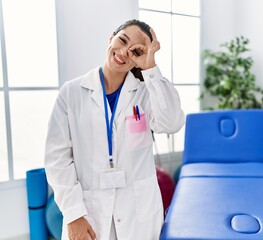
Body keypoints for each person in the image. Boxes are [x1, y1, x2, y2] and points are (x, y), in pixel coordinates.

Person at [44, 19, 185, 240]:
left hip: (138, 212)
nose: (123, 53)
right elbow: (57, 159)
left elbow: (172, 122)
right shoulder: (71, 93)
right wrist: (73, 215)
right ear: (111, 38)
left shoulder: (146, 93)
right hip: (90, 211)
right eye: (122, 41)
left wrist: (150, 68)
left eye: (135, 51)